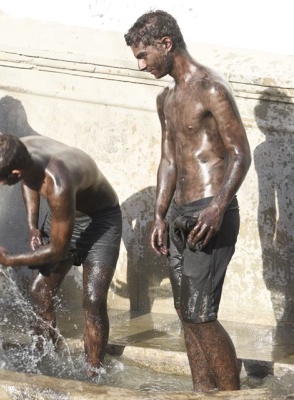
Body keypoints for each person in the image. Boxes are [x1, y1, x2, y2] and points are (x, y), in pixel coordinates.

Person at [125, 10, 251, 391]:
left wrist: (217, 207)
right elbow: (169, 160)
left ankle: (231, 394)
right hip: (179, 213)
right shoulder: (166, 98)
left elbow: (241, 154)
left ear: (166, 44)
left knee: (200, 315)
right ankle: (202, 391)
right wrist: (159, 215)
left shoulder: (210, 87)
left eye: (144, 56)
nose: (141, 65)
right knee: (185, 312)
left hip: (209, 211)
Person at [0, 133, 122, 376]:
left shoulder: (58, 182)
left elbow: (58, 249)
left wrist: (11, 261)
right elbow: (28, 182)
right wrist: (33, 226)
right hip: (66, 216)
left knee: (93, 300)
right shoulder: (24, 149)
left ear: (14, 173)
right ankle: (43, 354)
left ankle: (93, 372)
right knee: (39, 290)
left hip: (101, 221)